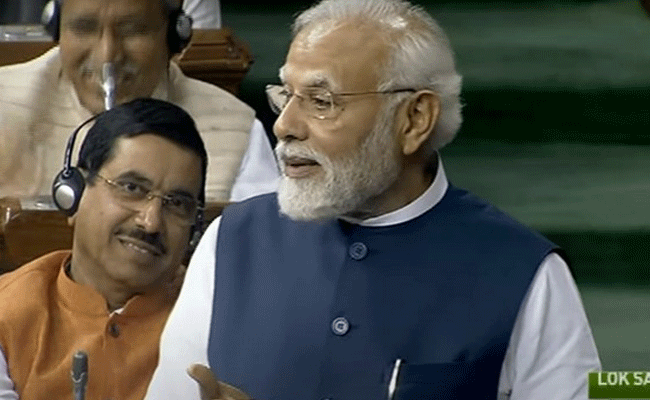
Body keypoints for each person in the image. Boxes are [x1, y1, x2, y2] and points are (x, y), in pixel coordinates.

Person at [146, 0, 602, 399]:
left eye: (321, 101)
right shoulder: (231, 242)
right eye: (286, 95)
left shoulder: (526, 273)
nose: (285, 125)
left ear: (415, 119)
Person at [0, 98, 247, 399]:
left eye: (177, 204)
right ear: (74, 194)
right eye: (132, 188)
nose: (151, 222)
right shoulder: (7, 309)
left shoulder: (219, 323)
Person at [0, 0, 278, 202]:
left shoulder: (236, 131)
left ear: (173, 35)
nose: (107, 56)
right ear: (56, 28)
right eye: (84, 28)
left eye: (132, 31)